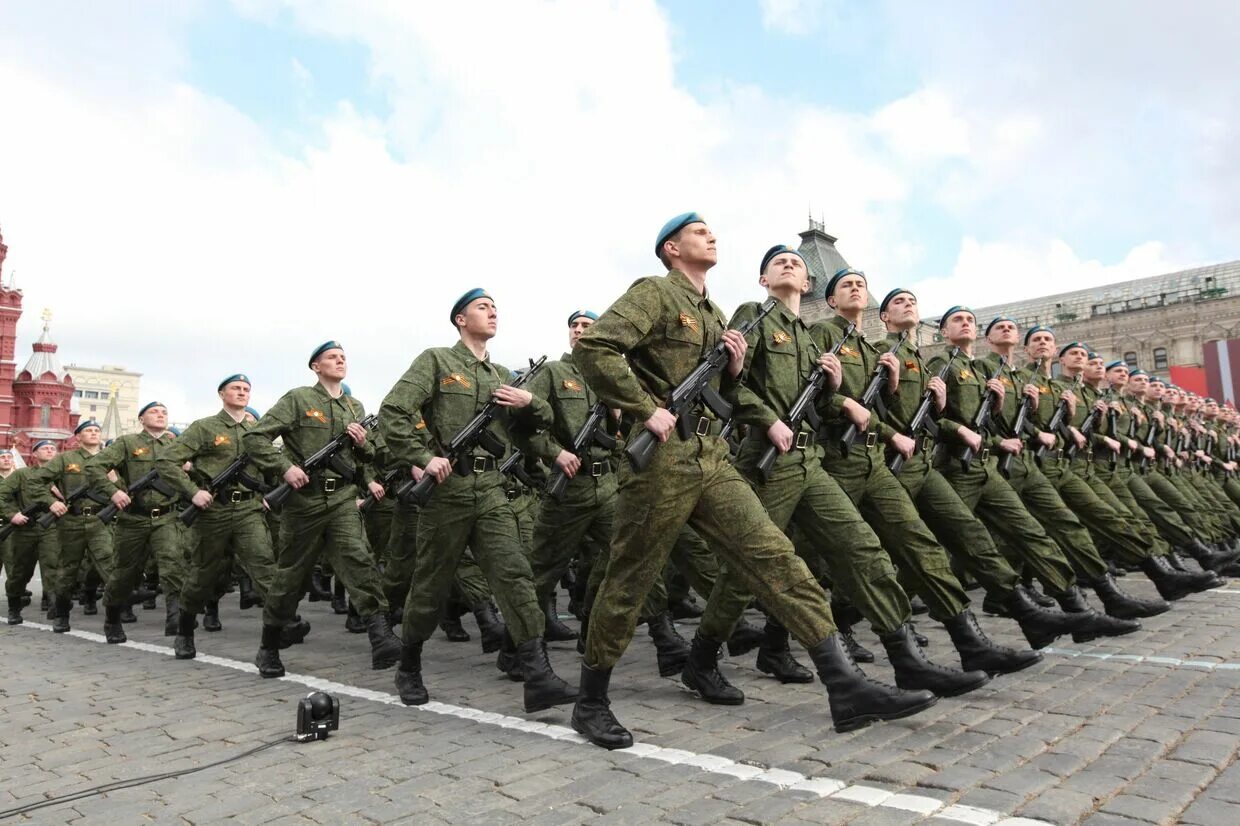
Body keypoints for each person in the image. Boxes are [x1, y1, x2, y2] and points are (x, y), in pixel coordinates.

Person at [570, 213, 936, 749]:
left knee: (775, 558)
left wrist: (734, 373)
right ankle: (590, 701)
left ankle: (845, 684)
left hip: (710, 455)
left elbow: (719, 391)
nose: (710, 236)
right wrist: (644, 408)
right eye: (698, 232)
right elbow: (595, 347)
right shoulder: (654, 292)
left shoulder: (714, 312)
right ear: (672, 249)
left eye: (710, 231)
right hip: (662, 462)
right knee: (630, 577)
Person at [379, 289, 578, 714]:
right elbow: (394, 411)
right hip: (447, 493)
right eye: (482, 307)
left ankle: (538, 675)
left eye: (494, 307)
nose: (492, 312)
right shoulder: (436, 361)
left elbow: (533, 429)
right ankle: (409, 666)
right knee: (431, 584)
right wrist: (422, 457)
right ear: (460, 319)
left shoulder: (503, 376)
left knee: (515, 575)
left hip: (490, 489)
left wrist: (531, 402)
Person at [242, 342, 402, 677]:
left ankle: (381, 636)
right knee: (290, 576)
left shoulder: (354, 406)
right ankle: (269, 646)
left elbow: (368, 458)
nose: (340, 360)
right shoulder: (299, 399)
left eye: (343, 357)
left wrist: (363, 444)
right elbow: (256, 438)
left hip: (342, 498)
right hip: (304, 503)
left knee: (359, 560)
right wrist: (284, 467)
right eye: (332, 357)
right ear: (316, 366)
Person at [157, 374, 283, 660]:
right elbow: (166, 461)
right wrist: (192, 492)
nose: (241, 393)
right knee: (203, 574)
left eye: (246, 389)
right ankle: (185, 632)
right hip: (213, 511)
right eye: (236, 388)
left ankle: (273, 642)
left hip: (249, 510)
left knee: (264, 567)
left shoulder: (258, 431)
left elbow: (270, 466)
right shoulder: (205, 428)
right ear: (221, 393)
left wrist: (267, 492)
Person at [86, 402, 186, 643]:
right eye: (154, 411)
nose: (160, 414)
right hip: (133, 518)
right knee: (123, 574)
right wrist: (113, 492)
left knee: (174, 566)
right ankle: (112, 618)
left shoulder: (176, 446)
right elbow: (93, 467)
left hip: (166, 516)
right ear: (141, 419)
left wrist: (189, 469)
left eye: (164, 411)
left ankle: (177, 622)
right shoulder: (128, 443)